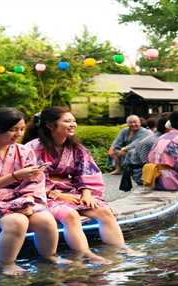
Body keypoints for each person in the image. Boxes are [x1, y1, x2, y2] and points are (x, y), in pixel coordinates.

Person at [24, 107, 143, 264]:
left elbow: (87, 171)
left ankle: (121, 248)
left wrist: (86, 192)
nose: (73, 124)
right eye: (67, 121)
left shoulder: (76, 148)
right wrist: (55, 194)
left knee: (105, 212)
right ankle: (85, 253)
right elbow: (28, 179)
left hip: (74, 191)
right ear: (50, 125)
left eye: (74, 120)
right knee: (70, 215)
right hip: (44, 196)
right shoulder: (32, 148)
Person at [0, 107, 67, 275]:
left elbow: (36, 181)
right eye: (12, 130)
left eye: (21, 129)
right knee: (17, 222)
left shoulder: (24, 151)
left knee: (46, 220)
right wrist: (14, 176)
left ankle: (49, 256)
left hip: (23, 200)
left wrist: (29, 200)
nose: (18, 134)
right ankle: (7, 264)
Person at [119, 113, 171, 191]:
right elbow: (149, 165)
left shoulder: (160, 137)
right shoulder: (154, 140)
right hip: (144, 175)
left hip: (150, 170)